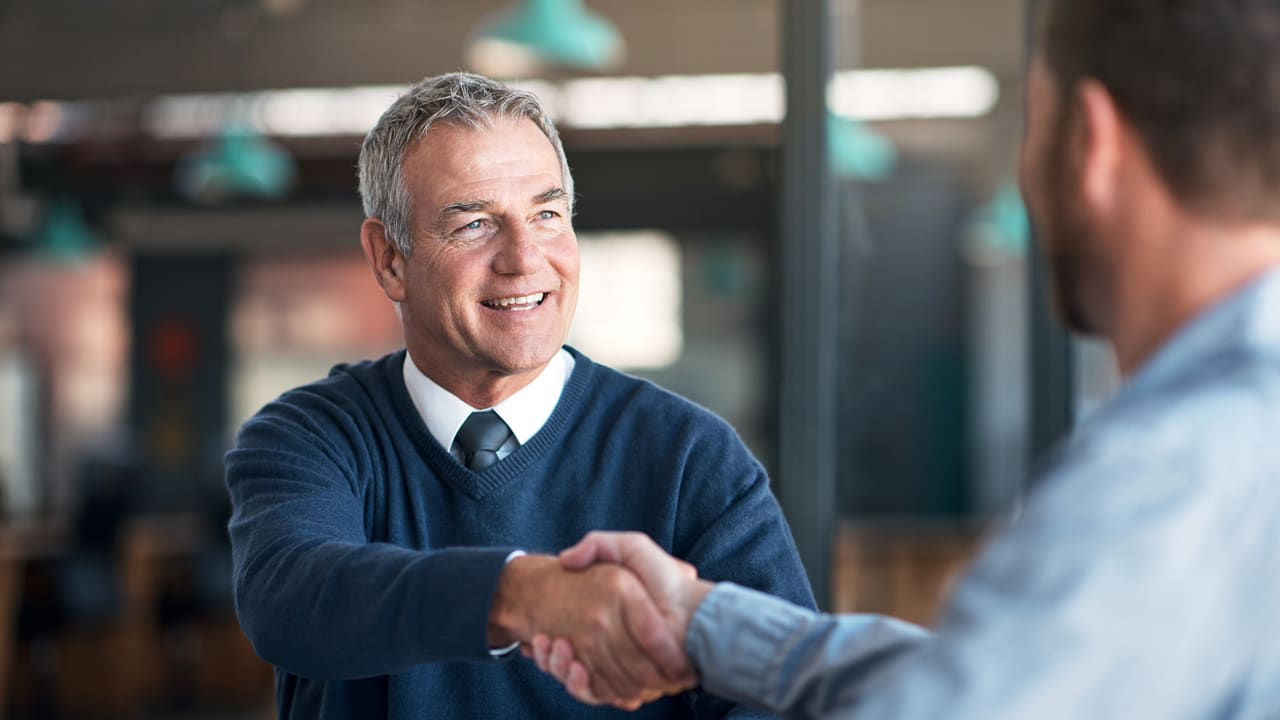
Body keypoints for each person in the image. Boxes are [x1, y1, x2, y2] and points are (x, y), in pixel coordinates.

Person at [530, 0, 1280, 717]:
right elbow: (986, 675)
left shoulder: (1173, 470)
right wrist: (703, 623)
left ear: (1092, 143)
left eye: (1035, 126)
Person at [224, 71, 815, 719]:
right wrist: (523, 593)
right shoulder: (310, 437)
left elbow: (783, 691)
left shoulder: (688, 457)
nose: (525, 258)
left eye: (546, 214)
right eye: (476, 225)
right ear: (390, 258)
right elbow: (292, 601)